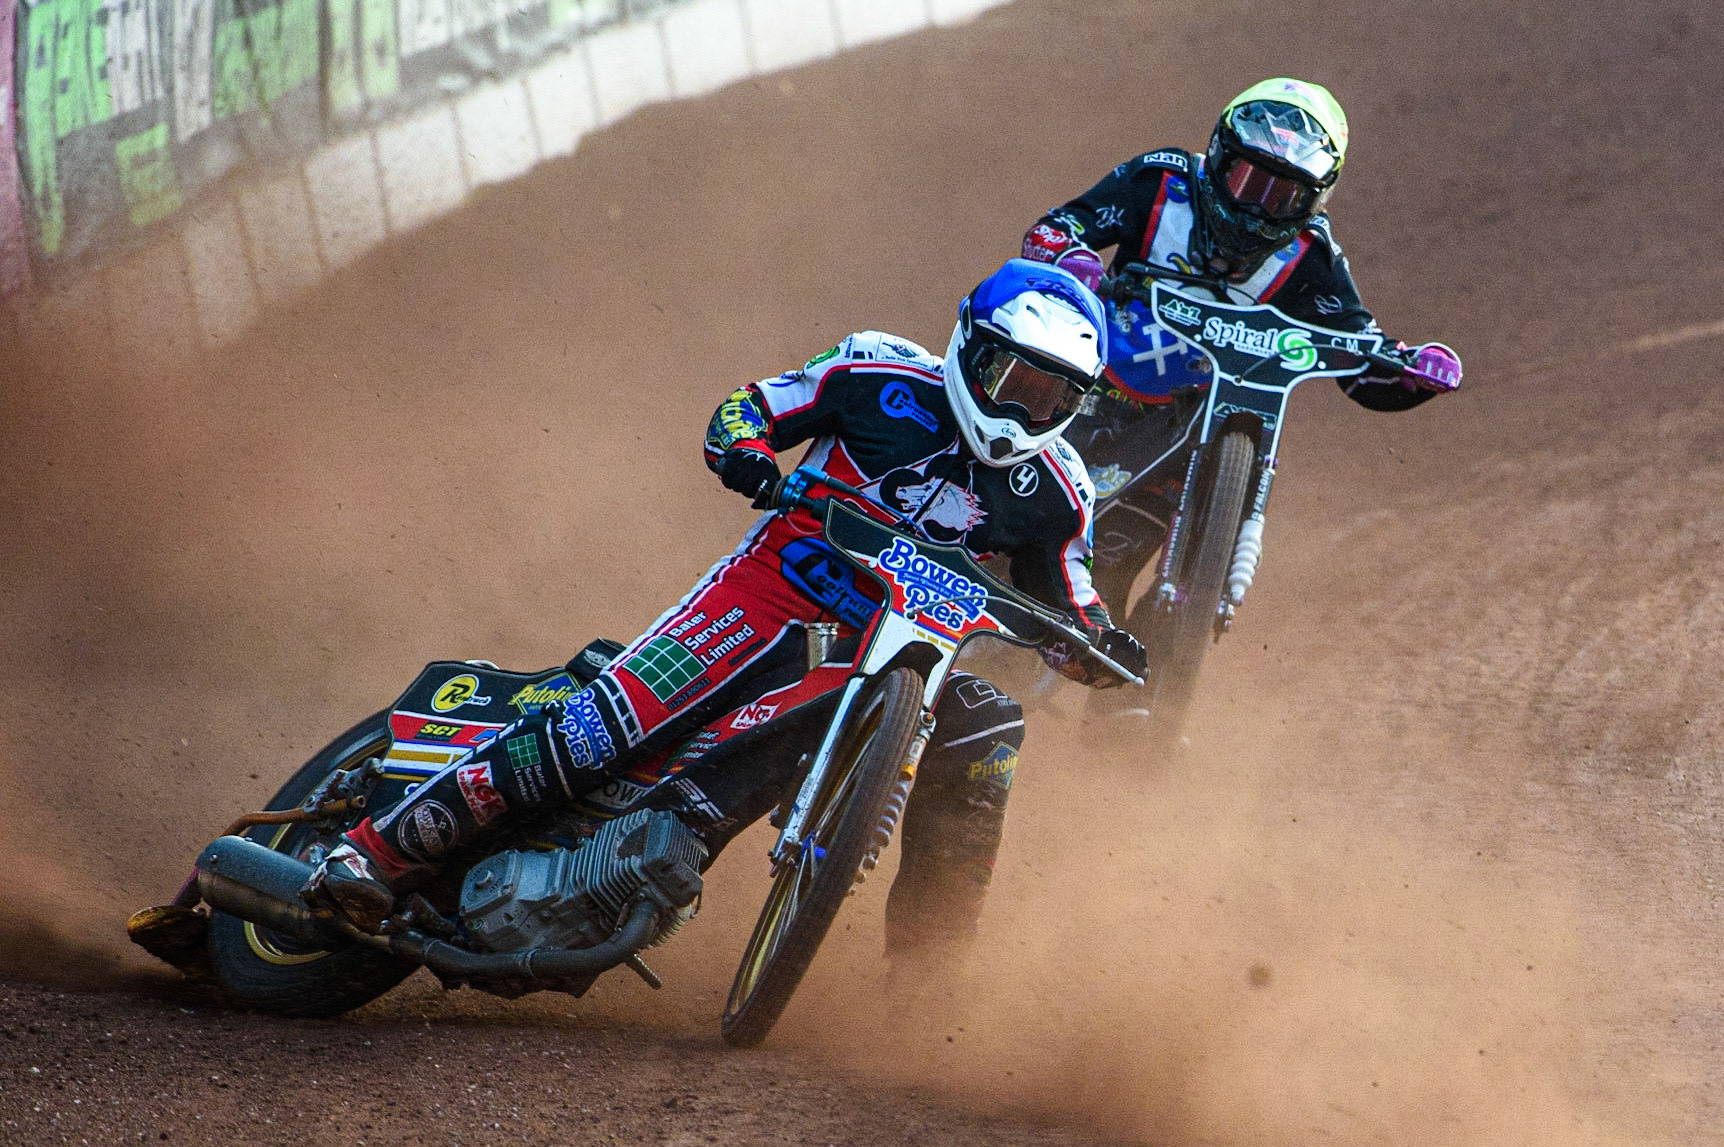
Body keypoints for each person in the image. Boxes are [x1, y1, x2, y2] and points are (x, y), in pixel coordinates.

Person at [301, 259, 1149, 963]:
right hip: (771, 595)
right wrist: (748, 458)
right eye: (1012, 380)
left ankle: (927, 977)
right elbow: (750, 408)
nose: (1020, 412)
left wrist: (1102, 646)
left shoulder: (1059, 490)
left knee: (988, 730)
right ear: (970, 345)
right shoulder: (878, 372)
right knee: (600, 731)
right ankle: (372, 851)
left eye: (1051, 398)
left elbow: (1068, 598)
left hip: (896, 657)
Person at [1019, 77, 1463, 613]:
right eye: (1250, 181)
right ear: (1218, 157)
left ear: (1316, 200)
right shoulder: (1158, 180)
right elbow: (1058, 227)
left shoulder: (1312, 258)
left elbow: (1358, 354)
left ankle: (1147, 660)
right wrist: (1073, 258)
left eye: (1284, 196)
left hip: (1181, 432)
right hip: (1082, 386)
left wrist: (1412, 371)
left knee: (1106, 566)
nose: (1259, 209)